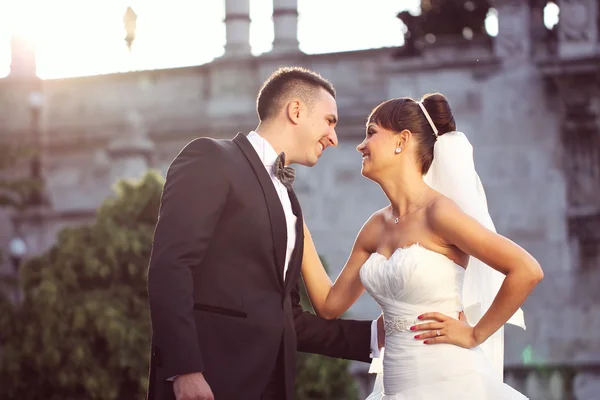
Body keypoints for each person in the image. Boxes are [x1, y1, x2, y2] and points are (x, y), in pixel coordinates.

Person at [146, 66, 384, 400]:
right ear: (296, 110)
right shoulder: (211, 158)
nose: (333, 138)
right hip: (208, 383)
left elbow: (286, 317)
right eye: (330, 121)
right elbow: (171, 267)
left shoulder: (291, 202)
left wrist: (374, 336)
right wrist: (185, 369)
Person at [300, 93, 544, 399]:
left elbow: (526, 270)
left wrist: (474, 334)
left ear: (402, 139)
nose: (361, 145)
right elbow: (328, 305)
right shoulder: (375, 227)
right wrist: (296, 221)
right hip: (395, 387)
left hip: (452, 383)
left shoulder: (439, 213)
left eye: (371, 133)